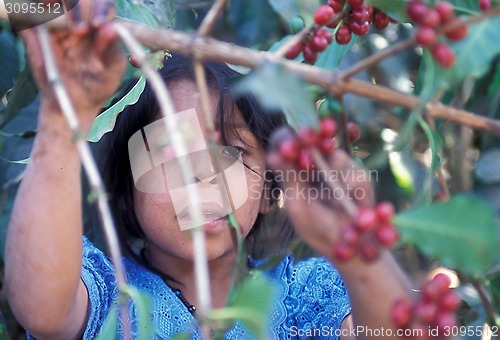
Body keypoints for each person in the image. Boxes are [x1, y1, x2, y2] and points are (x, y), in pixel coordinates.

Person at [5, 0, 414, 339]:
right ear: (127, 188)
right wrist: (63, 118)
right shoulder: (108, 290)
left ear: (272, 188)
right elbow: (43, 311)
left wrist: (361, 250)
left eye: (232, 152)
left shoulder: (308, 298)